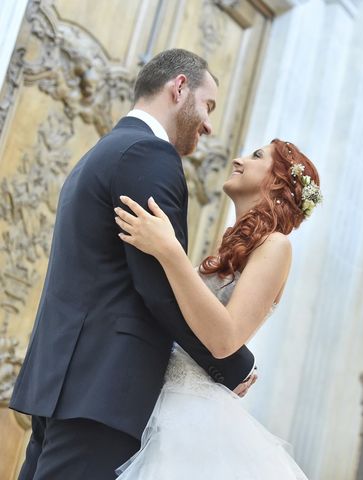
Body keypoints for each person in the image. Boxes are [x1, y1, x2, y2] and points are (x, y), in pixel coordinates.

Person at [10, 49, 256, 479]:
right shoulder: (149, 155)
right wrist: (230, 364)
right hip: (105, 389)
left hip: (61, 381)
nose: (210, 125)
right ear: (179, 88)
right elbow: (159, 284)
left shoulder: (101, 152)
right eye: (208, 105)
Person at [113, 138, 321, 478]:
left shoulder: (276, 246)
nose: (238, 160)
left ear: (279, 182)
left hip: (189, 414)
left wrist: (169, 252)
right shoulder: (232, 247)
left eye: (256, 156)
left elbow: (225, 339)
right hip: (154, 398)